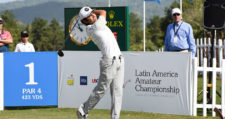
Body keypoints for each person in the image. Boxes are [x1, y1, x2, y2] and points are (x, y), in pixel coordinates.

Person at [76, 6, 124, 119]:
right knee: (101, 90)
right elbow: (103, 12)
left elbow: (101, 14)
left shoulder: (98, 24)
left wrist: (89, 11)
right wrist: (93, 10)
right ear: (85, 21)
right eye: (90, 16)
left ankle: (115, 117)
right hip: (109, 62)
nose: (93, 15)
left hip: (119, 60)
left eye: (93, 14)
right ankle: (83, 110)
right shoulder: (94, 27)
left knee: (117, 92)